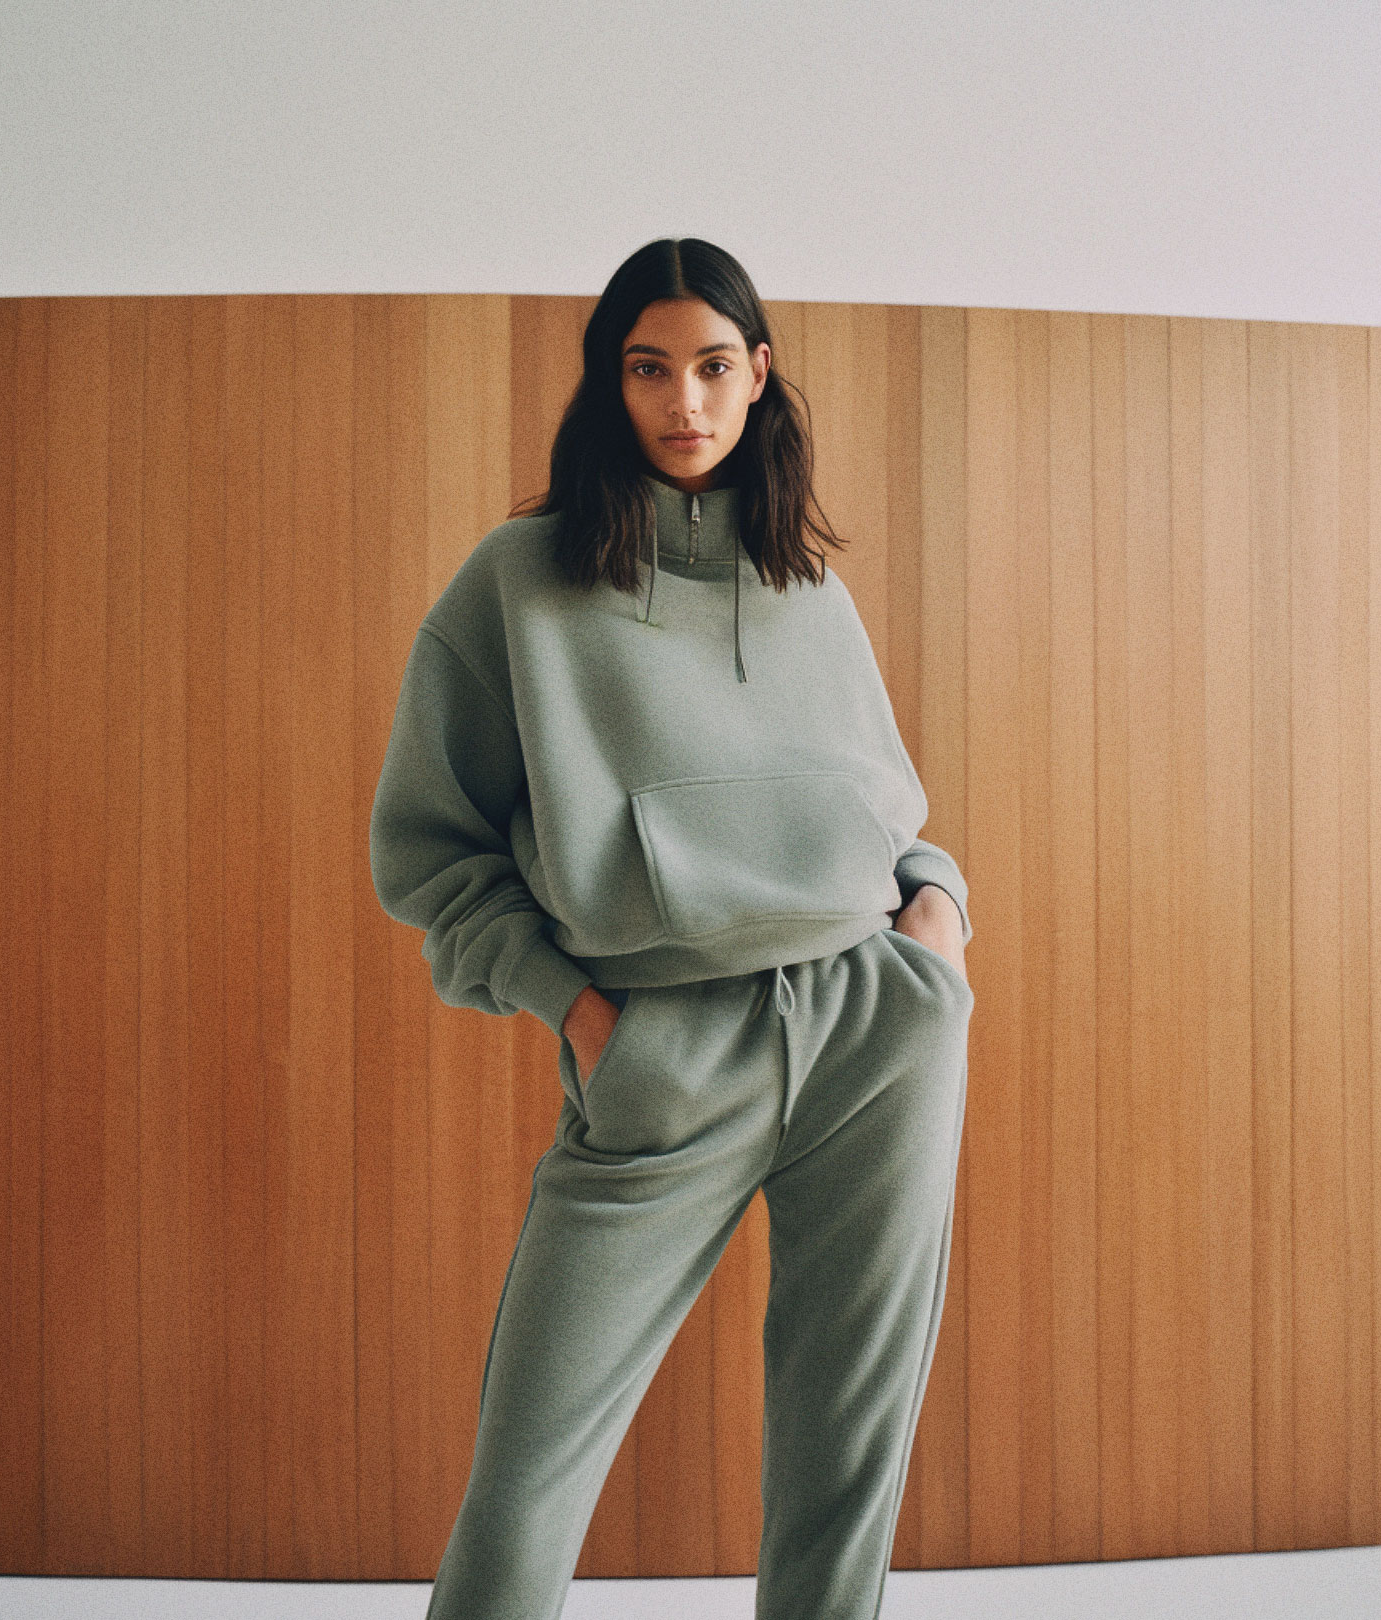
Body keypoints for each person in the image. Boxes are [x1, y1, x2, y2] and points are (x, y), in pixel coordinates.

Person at [369, 236, 973, 1620]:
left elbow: (884, 809)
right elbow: (429, 850)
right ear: (611, 381)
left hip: (873, 1030)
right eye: (650, 369)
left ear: (758, 377)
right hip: (665, 1046)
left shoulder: (807, 586)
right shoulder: (517, 585)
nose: (683, 403)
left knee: (847, 1451)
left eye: (712, 367)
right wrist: (575, 1009)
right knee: (528, 1472)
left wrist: (937, 909)